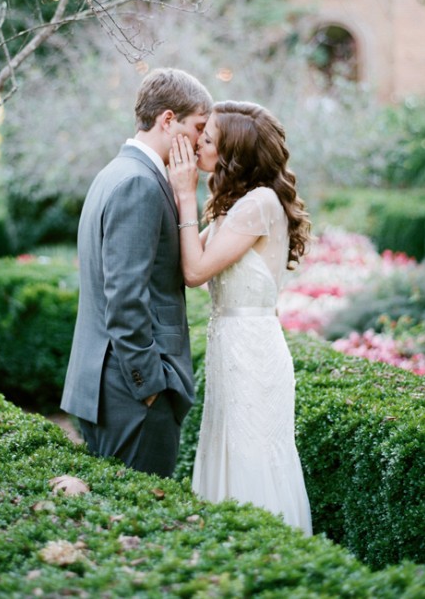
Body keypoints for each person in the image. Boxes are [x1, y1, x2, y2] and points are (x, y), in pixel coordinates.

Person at [167, 100, 313, 535]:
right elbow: (189, 259)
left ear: (233, 155)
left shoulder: (258, 204)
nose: (196, 146)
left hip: (252, 352)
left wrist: (182, 194)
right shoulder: (236, 205)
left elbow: (194, 272)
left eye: (207, 140)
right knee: (228, 450)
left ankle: (266, 554)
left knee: (252, 456)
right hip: (233, 348)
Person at [61, 67, 213, 477]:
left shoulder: (115, 172)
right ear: (168, 120)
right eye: (198, 126)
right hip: (129, 392)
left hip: (107, 386)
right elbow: (125, 298)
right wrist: (149, 387)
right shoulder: (139, 184)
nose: (202, 140)